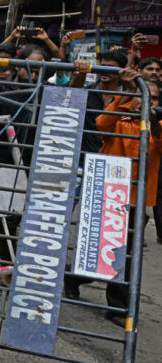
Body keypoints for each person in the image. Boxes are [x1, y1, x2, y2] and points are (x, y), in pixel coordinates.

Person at [66, 70, 162, 327]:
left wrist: (152, 121)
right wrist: (127, 96)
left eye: (151, 98)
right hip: (108, 193)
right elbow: (100, 124)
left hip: (136, 200)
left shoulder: (157, 126)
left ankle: (118, 308)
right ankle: (72, 278)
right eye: (142, 96)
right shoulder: (119, 118)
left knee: (126, 254)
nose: (145, 101)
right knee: (99, 250)